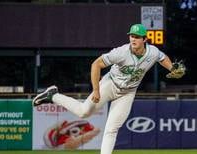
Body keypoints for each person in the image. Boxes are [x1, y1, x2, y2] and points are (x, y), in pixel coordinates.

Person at [32, 23, 185, 154]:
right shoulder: (121, 52)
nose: (133, 39)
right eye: (131, 35)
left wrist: (171, 67)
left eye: (137, 36)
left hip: (127, 93)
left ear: (145, 39)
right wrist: (97, 90)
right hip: (110, 84)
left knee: (112, 128)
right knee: (83, 112)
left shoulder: (152, 52)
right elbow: (96, 64)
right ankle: (53, 96)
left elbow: (162, 57)